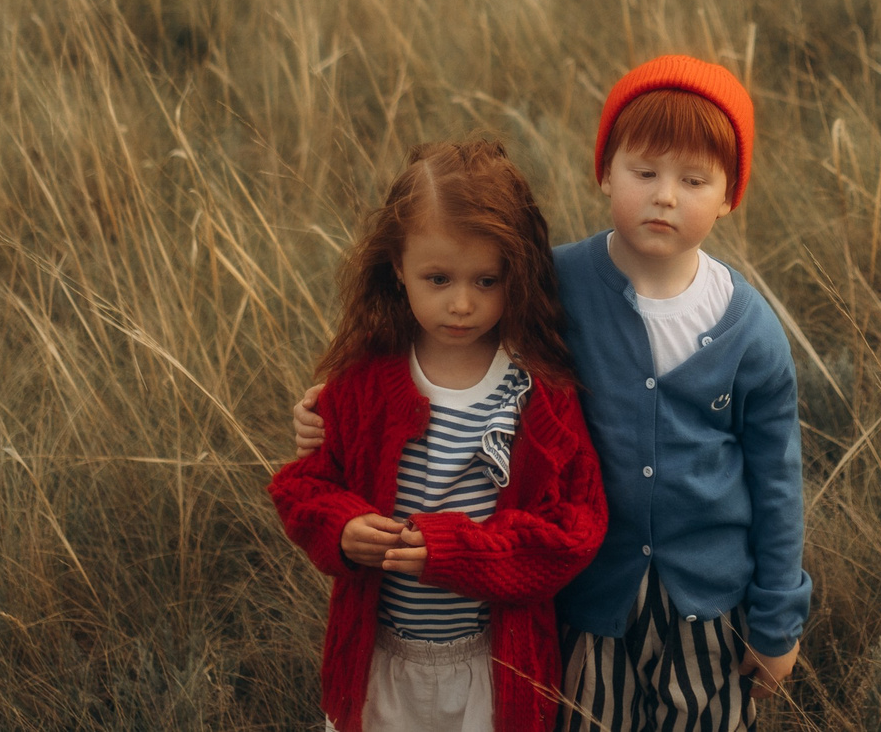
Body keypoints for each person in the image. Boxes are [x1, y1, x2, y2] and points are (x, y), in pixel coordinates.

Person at [297, 57, 810, 731]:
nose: (664, 195)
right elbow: (441, 329)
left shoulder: (751, 331)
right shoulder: (553, 282)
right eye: (644, 171)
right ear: (604, 171)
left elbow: (777, 483)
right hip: (589, 598)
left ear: (729, 194)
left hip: (707, 601)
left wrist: (776, 623)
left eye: (693, 179)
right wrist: (332, 405)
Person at [269, 137, 608, 732]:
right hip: (378, 664)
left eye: (486, 281)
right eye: (438, 278)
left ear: (517, 273)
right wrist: (343, 529)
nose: (461, 304)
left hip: (494, 669)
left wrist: (459, 552)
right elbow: (303, 488)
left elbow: (577, 528)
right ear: (397, 267)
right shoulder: (365, 380)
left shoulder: (540, 394)